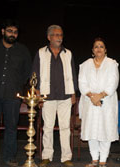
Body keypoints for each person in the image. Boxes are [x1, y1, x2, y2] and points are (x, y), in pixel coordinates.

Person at [0, 19, 32, 167]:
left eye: (15, 32)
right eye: (9, 31)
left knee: (11, 127)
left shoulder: (23, 50)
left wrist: (19, 85)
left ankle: (9, 157)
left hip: (13, 96)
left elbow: (27, 71)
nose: (12, 34)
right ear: (2, 32)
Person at [32, 25, 78, 167]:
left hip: (65, 96)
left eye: (61, 35)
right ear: (49, 37)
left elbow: (73, 75)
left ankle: (66, 157)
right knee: (48, 127)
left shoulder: (68, 53)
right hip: (47, 96)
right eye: (56, 35)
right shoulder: (41, 52)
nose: (59, 37)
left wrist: (73, 93)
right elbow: (35, 74)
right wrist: (38, 93)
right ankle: (47, 156)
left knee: (65, 128)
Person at [78, 37, 119, 167]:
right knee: (92, 131)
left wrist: (100, 96)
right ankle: (94, 159)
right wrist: (92, 96)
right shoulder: (85, 65)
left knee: (105, 130)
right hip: (89, 102)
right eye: (96, 46)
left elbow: (113, 82)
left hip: (107, 101)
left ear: (105, 50)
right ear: (92, 50)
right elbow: (82, 83)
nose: (99, 49)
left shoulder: (112, 64)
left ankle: (103, 160)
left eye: (101, 46)